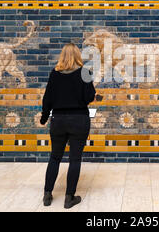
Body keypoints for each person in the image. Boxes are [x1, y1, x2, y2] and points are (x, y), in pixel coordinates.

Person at [40, 43, 96, 208]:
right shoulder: (84, 72)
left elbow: (47, 99)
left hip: (58, 120)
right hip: (79, 120)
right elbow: (89, 97)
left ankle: (47, 194)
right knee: (75, 159)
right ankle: (69, 197)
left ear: (62, 56)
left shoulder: (54, 74)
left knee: (55, 157)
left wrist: (44, 118)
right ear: (78, 56)